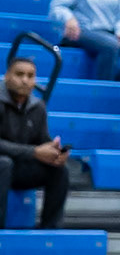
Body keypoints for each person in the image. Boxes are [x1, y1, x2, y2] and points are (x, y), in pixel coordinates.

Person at [0, 57, 69, 229]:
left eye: (30, 76)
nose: (25, 80)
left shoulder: (38, 107)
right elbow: (35, 150)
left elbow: (42, 142)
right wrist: (34, 152)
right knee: (4, 164)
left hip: (18, 169)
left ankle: (50, 231)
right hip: (3, 166)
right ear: (7, 76)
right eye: (19, 74)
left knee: (59, 170)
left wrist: (55, 153)